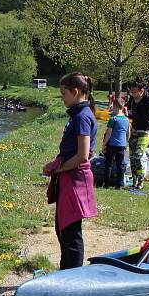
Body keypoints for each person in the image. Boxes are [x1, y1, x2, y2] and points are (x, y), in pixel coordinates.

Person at [42, 73, 98, 270]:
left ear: (75, 92)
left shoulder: (82, 117)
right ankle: (66, 273)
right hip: (69, 178)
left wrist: (59, 168)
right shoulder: (79, 114)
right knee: (62, 228)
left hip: (76, 181)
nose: (62, 97)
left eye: (63, 93)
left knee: (70, 232)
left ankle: (71, 277)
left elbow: (83, 155)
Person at [125, 79, 149, 189]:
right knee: (132, 156)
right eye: (131, 92)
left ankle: (141, 180)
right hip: (134, 129)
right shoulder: (133, 99)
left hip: (146, 130)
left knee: (138, 155)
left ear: (141, 90)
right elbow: (127, 106)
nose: (133, 95)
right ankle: (134, 180)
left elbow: (143, 118)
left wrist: (128, 114)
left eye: (134, 92)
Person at [102, 97, 130, 189]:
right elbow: (128, 133)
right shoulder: (126, 120)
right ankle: (120, 184)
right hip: (122, 145)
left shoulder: (113, 119)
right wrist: (126, 141)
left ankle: (106, 183)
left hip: (112, 145)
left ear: (115, 106)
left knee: (109, 163)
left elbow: (109, 133)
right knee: (120, 164)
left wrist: (104, 144)